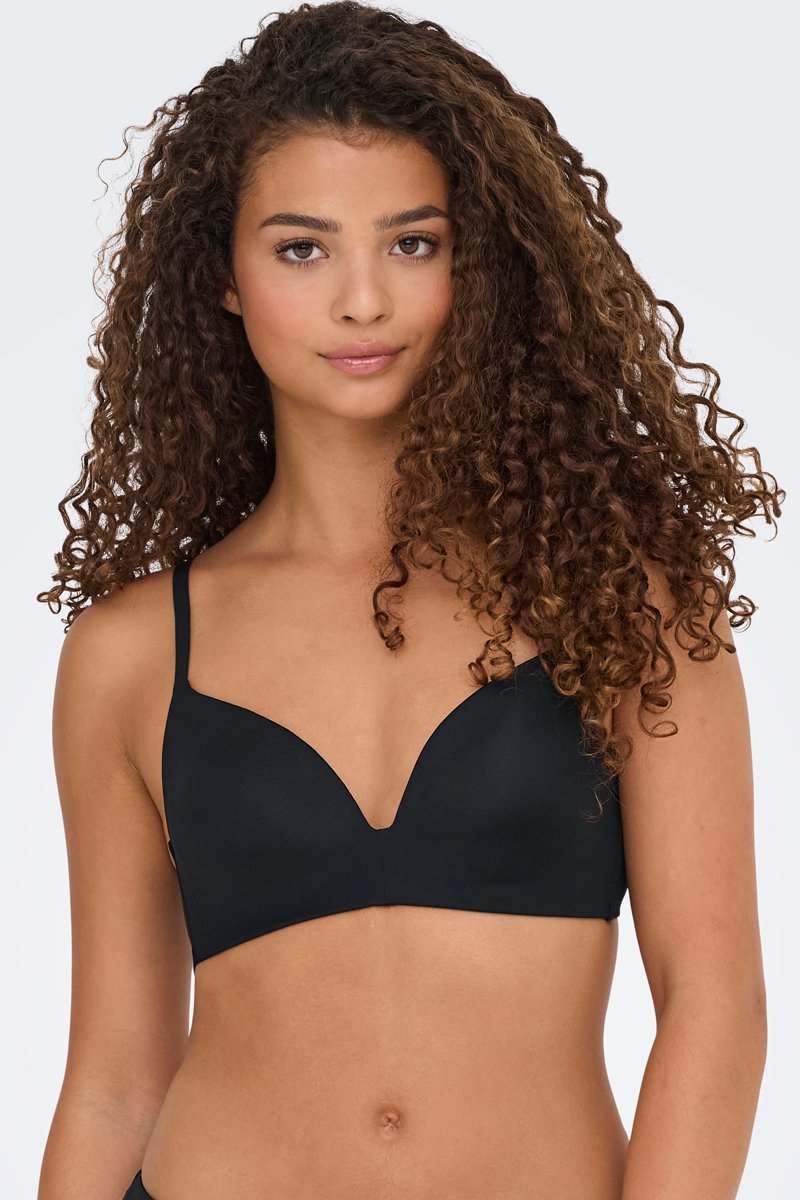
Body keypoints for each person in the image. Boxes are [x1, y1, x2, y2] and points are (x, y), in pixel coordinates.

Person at [37, 3, 778, 1197]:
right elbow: (115, 1079)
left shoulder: (620, 596)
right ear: (222, 277)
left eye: (413, 243)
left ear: (479, 264)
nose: (361, 302)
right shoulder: (129, 654)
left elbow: (712, 1007)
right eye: (301, 249)